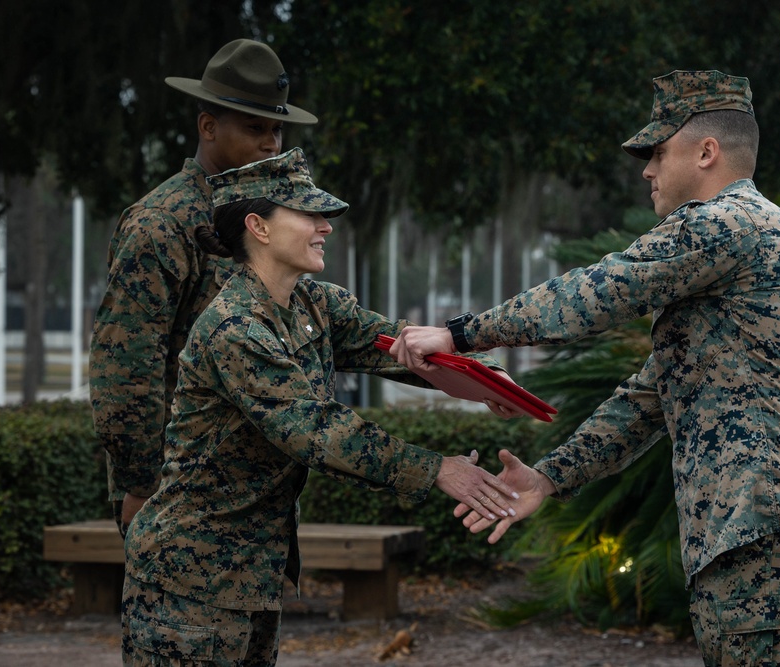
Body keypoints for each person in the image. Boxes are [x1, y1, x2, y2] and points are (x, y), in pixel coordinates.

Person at [391, 70, 780, 666]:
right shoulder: (745, 244)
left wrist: (460, 333)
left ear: (707, 152)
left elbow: (600, 290)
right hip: (760, 532)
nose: (647, 171)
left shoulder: (728, 224)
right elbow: (649, 396)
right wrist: (551, 477)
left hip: (767, 531)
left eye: (659, 152)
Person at [121, 147, 518, 666]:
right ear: (259, 227)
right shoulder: (234, 329)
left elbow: (398, 344)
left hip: (251, 577)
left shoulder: (313, 303)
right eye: (308, 214)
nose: (324, 226)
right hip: (189, 583)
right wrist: (437, 470)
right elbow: (316, 431)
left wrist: (483, 380)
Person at [90, 39, 320, 535]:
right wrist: (139, 486)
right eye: (255, 128)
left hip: (255, 492)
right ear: (209, 127)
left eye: (277, 130)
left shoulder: (260, 222)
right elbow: (126, 367)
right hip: (180, 493)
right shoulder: (162, 224)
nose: (271, 144)